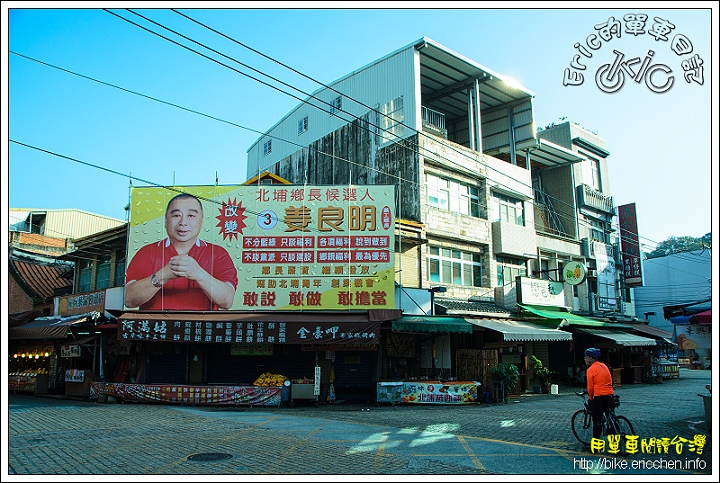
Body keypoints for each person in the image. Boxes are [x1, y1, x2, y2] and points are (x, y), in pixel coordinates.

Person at [124, 193, 238, 310]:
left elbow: (227, 301)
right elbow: (129, 300)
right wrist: (164, 275)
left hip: (201, 327)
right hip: (156, 327)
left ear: (201, 220)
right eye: (176, 215)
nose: (183, 222)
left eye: (191, 215)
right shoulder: (147, 252)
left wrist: (198, 273)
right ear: (165, 220)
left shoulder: (218, 253)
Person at [584, 347, 615, 441]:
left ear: (590, 358)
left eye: (586, 357)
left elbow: (590, 387)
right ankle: (616, 436)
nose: (585, 359)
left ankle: (596, 444)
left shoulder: (591, 369)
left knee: (597, 420)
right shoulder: (604, 366)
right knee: (611, 418)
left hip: (599, 396)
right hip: (610, 394)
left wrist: (590, 398)